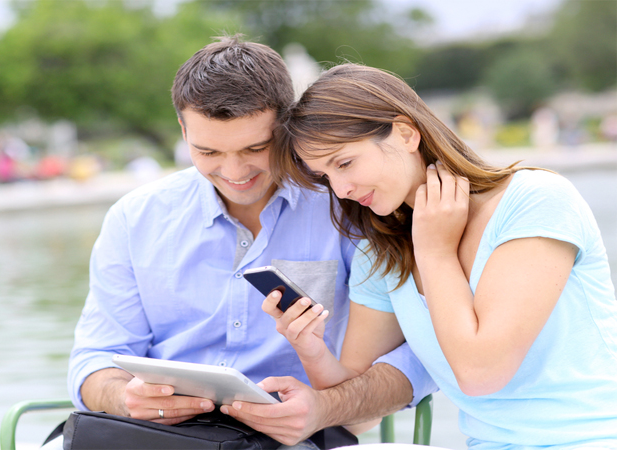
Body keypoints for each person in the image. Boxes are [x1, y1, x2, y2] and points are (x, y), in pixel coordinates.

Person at [64, 38, 437, 448]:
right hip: (154, 436)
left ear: (288, 127)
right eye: (207, 151)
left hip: (292, 439)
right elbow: (93, 361)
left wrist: (325, 407)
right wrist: (124, 397)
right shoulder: (134, 218)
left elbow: (423, 357)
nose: (235, 171)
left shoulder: (354, 202)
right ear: (183, 132)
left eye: (256, 148)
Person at [256, 63, 617, 449]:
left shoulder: (535, 200)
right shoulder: (381, 252)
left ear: (406, 133)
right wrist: (311, 347)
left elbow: (481, 373)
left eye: (344, 163)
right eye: (326, 177)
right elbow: (357, 421)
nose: (341, 189)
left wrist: (436, 252)